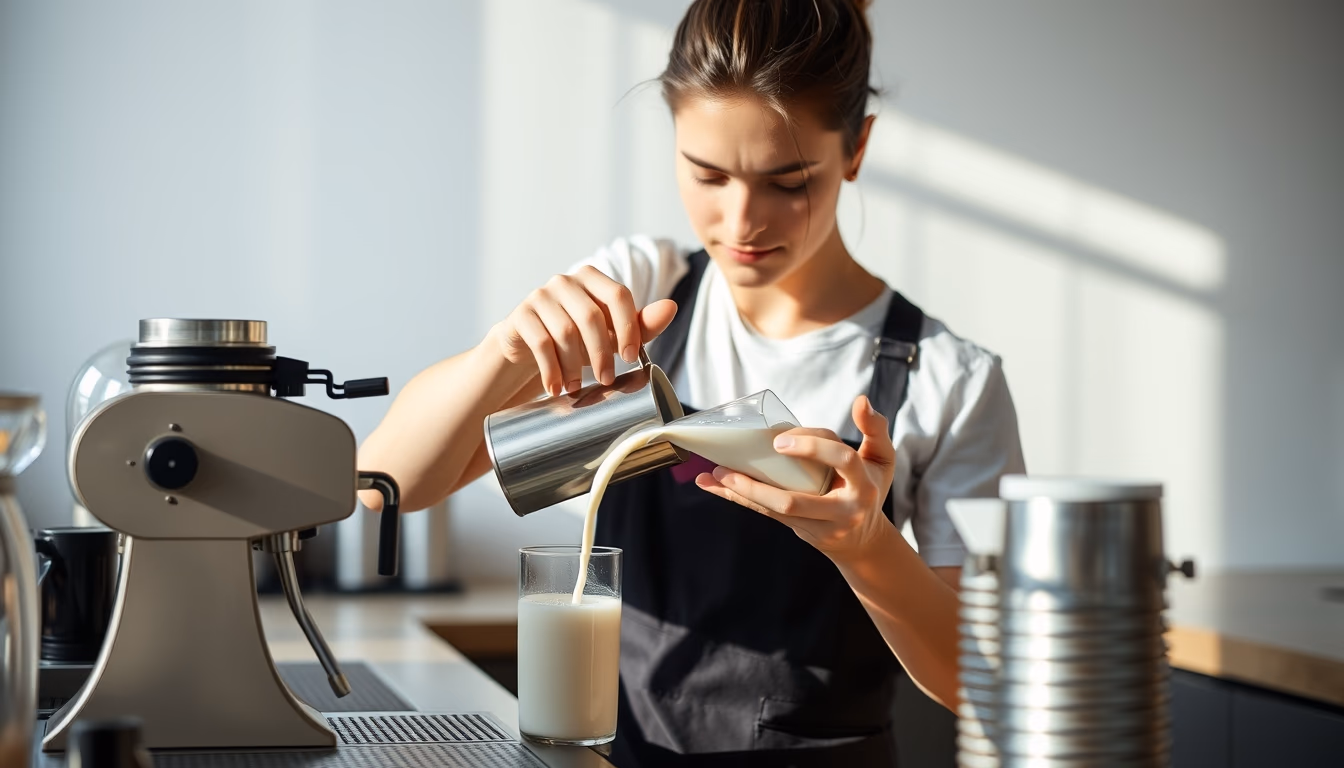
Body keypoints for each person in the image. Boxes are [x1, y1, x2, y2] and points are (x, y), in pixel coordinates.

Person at [359, 0, 1025, 764]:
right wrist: (502, 352)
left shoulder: (950, 379)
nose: (742, 220)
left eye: (789, 180)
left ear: (857, 148)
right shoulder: (643, 295)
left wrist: (867, 546)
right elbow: (387, 486)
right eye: (707, 174)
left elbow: (988, 681)